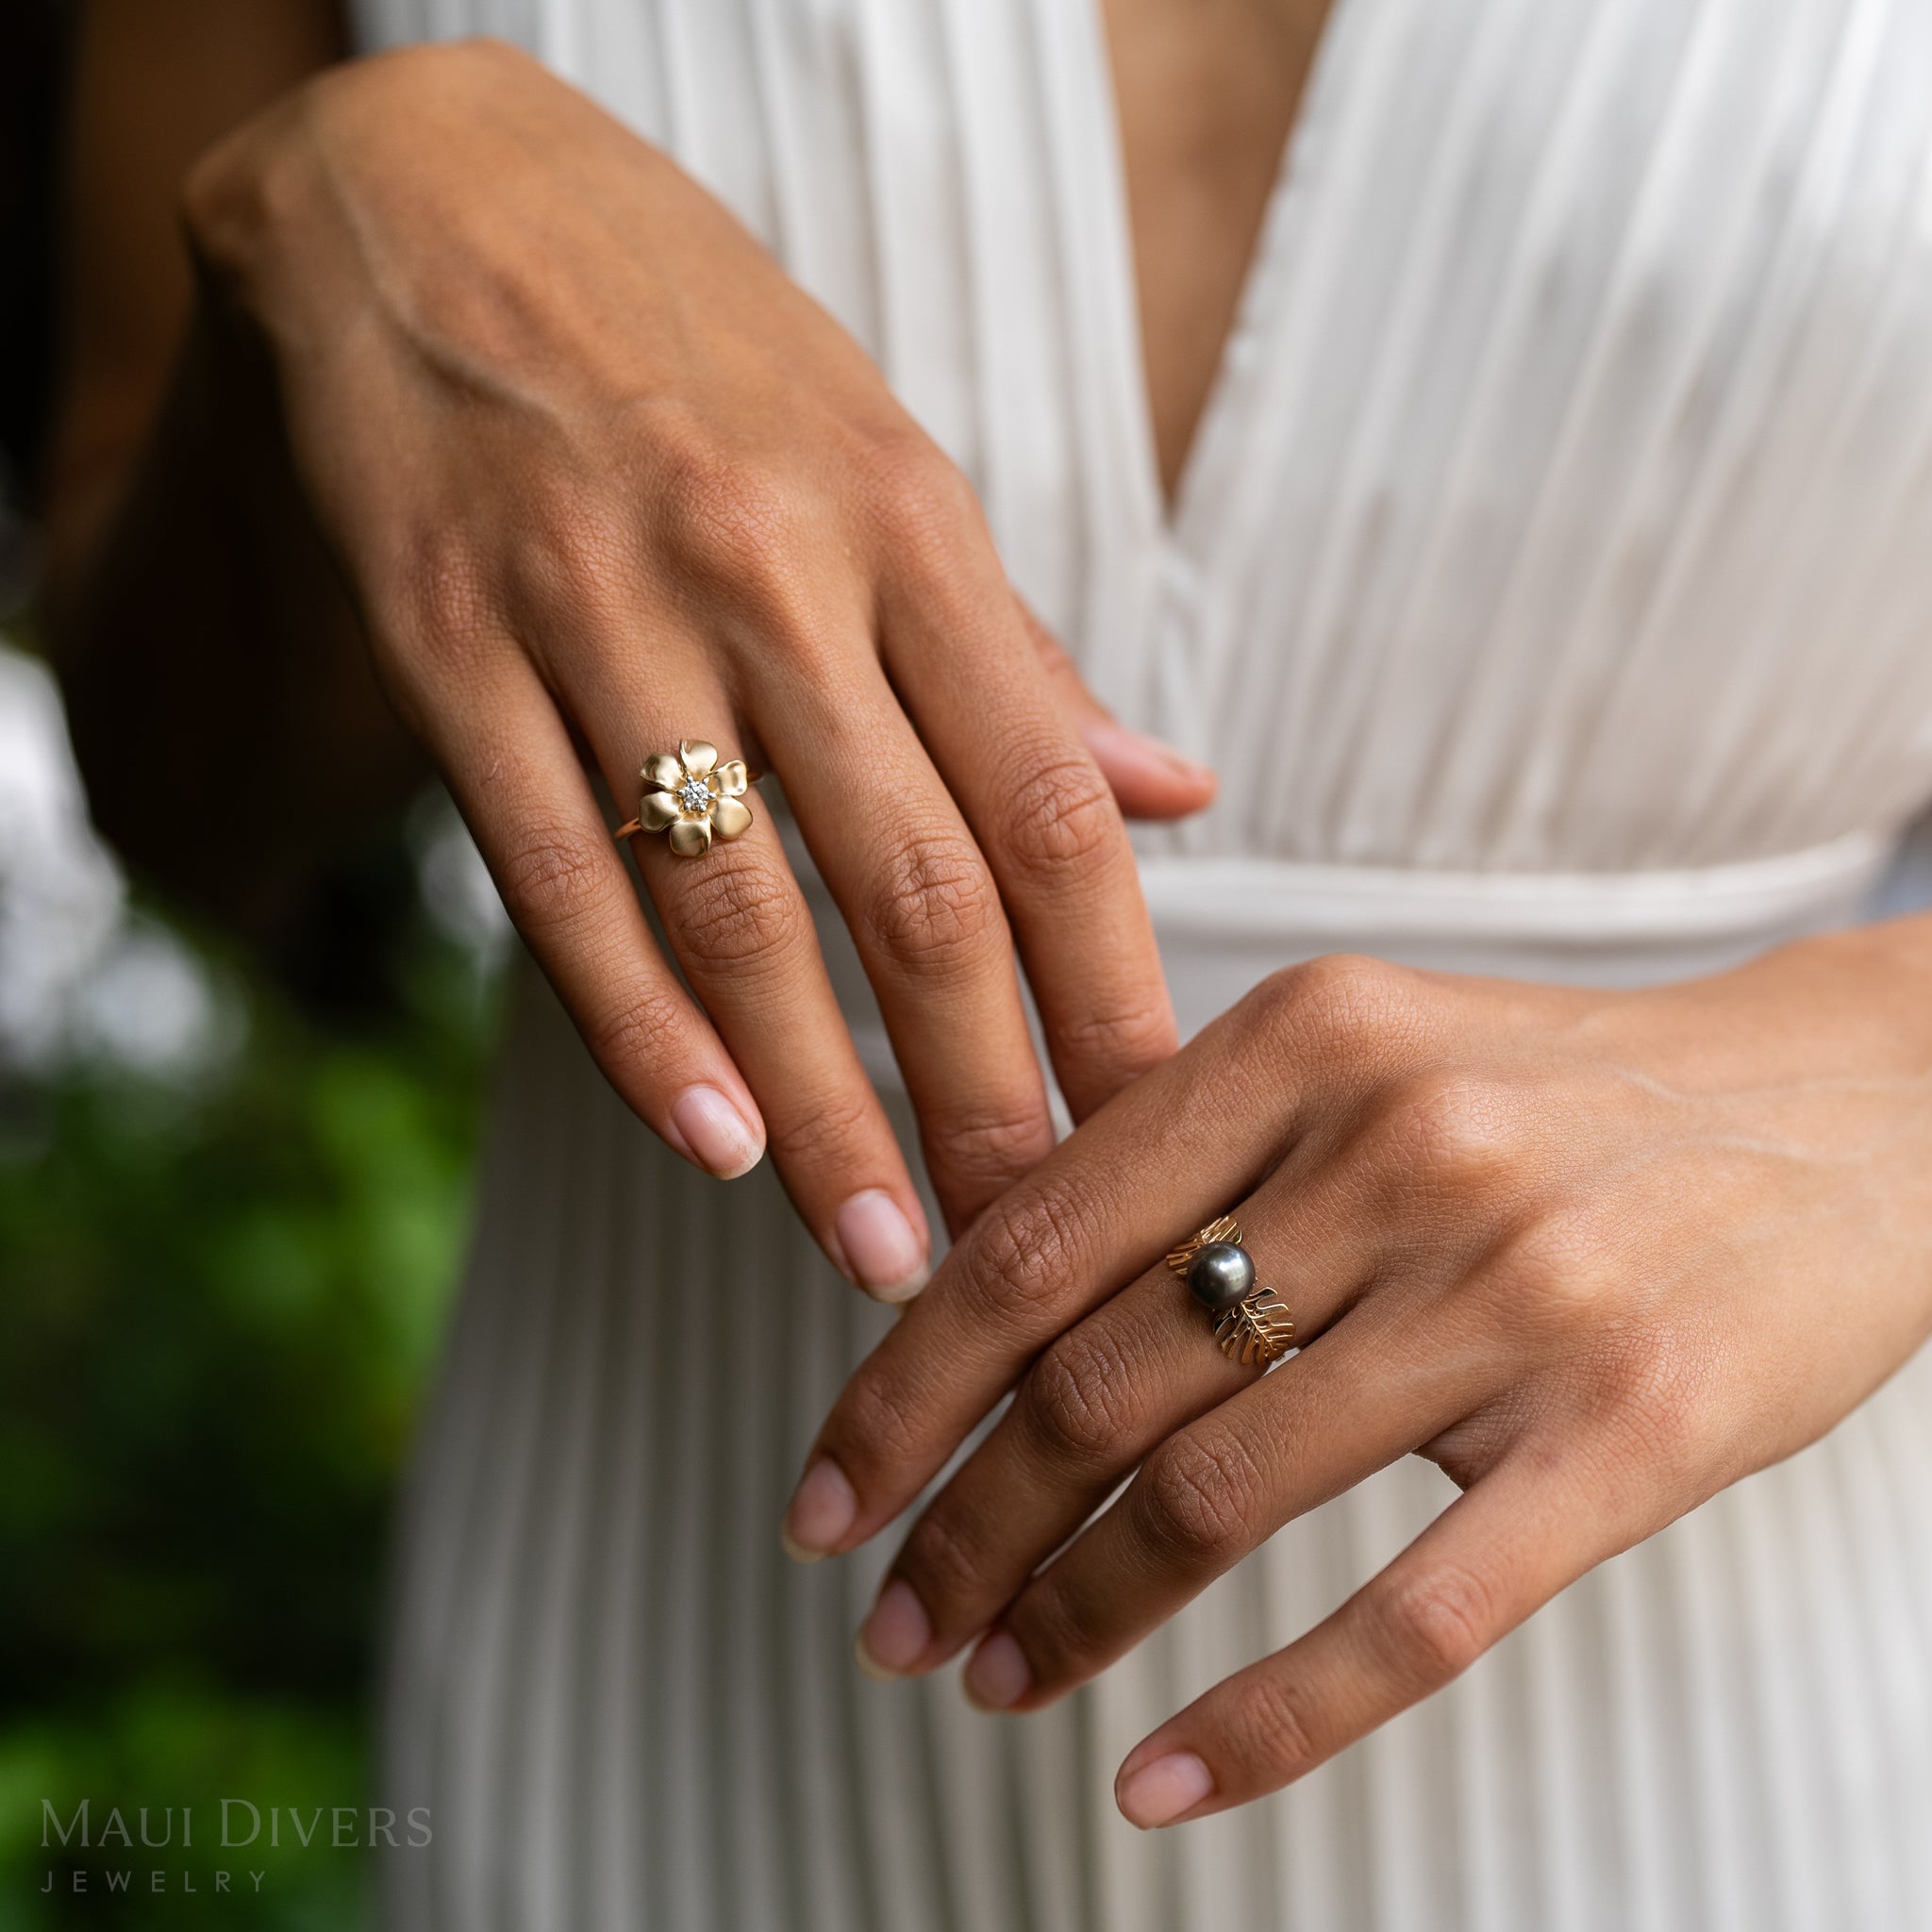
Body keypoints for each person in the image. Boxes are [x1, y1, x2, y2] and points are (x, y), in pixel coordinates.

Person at [42, 0, 1932, 1924]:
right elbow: (187, 790)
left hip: (1721, 1695)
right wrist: (331, 198)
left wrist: (1899, 1067)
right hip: (653, 1672)